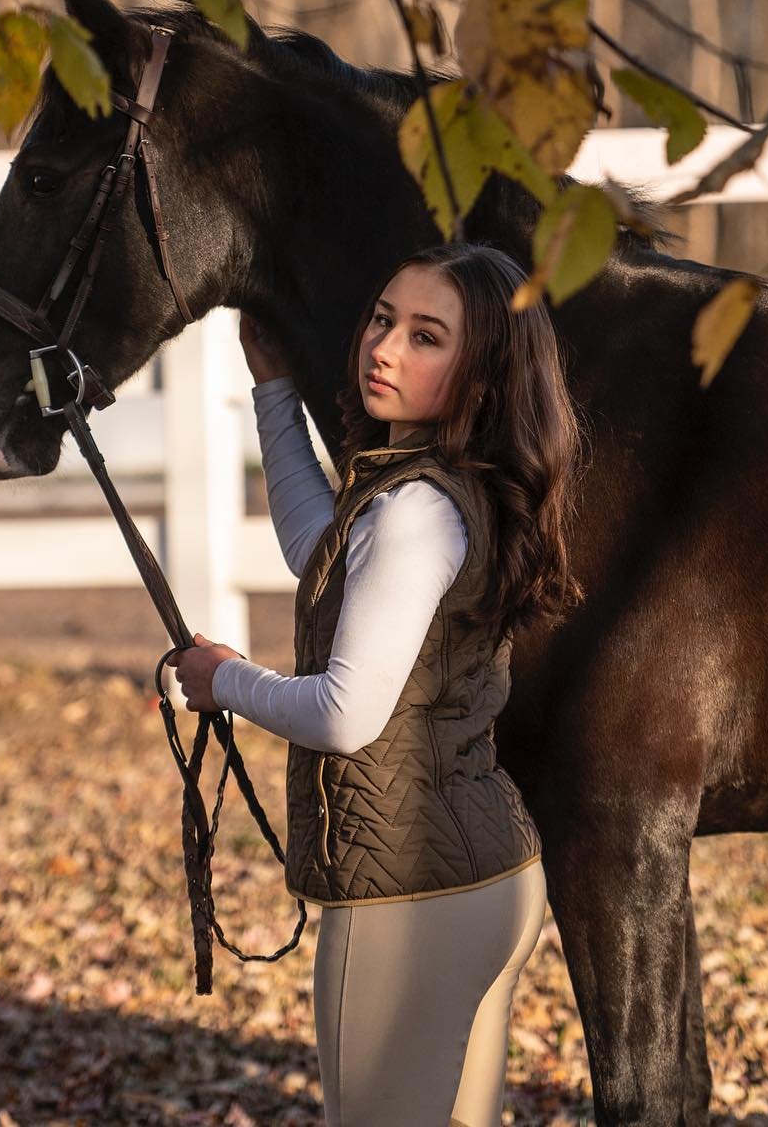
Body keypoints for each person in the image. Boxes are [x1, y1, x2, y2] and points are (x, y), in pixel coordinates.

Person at [167, 241, 587, 1127]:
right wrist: (274, 391)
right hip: (490, 879)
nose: (384, 348)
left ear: (483, 375)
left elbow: (345, 714)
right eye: (384, 320)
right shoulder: (446, 490)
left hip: (407, 900)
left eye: (426, 336)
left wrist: (223, 680)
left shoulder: (414, 509)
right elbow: (317, 554)